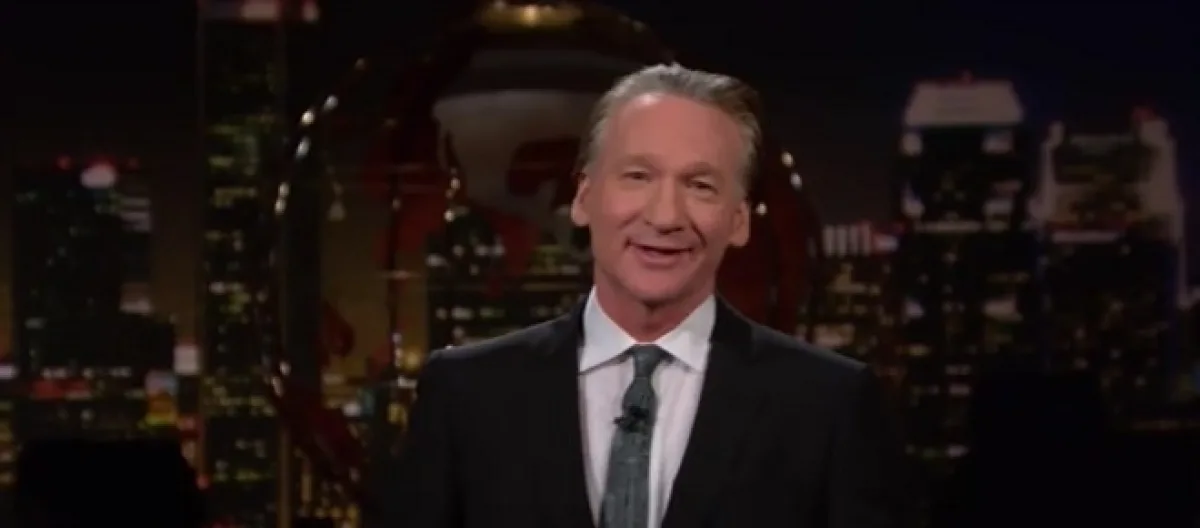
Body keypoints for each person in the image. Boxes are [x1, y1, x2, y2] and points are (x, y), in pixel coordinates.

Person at [387, 64, 905, 528]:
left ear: (739, 220)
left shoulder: (828, 404)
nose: (665, 216)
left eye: (700, 185)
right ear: (584, 197)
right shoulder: (466, 395)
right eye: (638, 176)